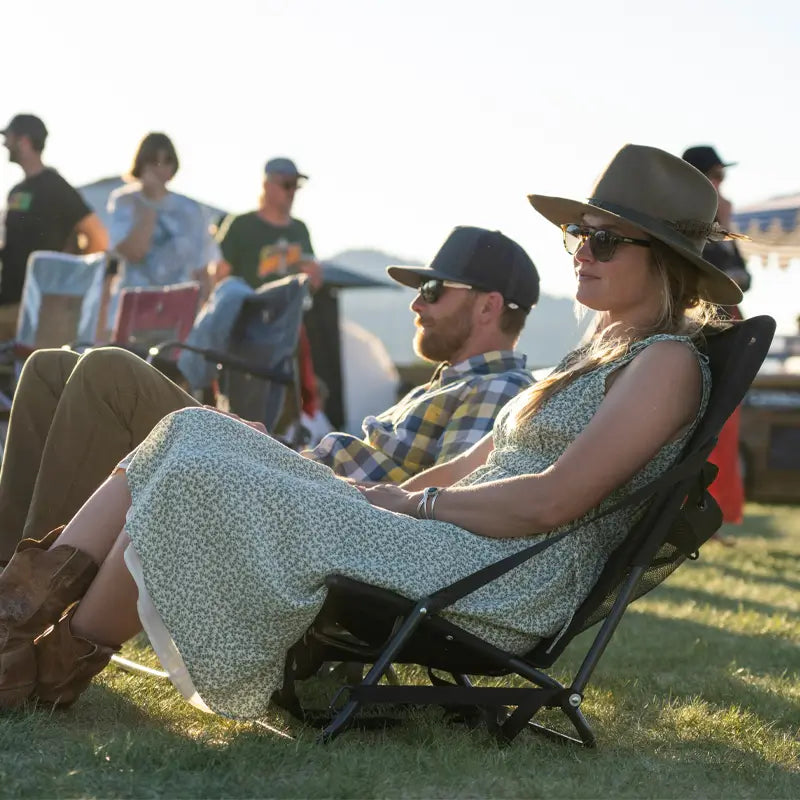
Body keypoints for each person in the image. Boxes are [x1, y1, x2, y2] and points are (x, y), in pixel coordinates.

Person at [0, 144, 743, 718]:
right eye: (579, 234)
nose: (581, 249)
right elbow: (476, 462)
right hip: (450, 541)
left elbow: (552, 503)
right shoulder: (593, 359)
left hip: (500, 578)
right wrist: (376, 495)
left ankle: (50, 670)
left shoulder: (668, 364)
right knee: (192, 428)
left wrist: (406, 507)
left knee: (202, 476)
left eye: (604, 241)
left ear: (666, 261)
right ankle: (13, 617)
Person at [0, 226, 539, 563]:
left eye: (432, 291)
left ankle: (20, 611)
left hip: (305, 505)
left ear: (489, 307)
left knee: (109, 371)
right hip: (286, 474)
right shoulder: (449, 382)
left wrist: (282, 464)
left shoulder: (501, 391)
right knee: (50, 368)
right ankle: (9, 572)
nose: (416, 304)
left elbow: (443, 521)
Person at [682, 145, 750, 526]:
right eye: (716, 176)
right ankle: (693, 512)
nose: (721, 185)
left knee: (723, 423)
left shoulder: (718, 223)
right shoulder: (683, 224)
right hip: (694, 326)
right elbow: (719, 276)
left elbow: (743, 276)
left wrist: (725, 225)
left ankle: (717, 514)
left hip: (726, 325)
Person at [0, 114, 108, 340]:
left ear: (24, 141)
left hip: (39, 309)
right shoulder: (16, 191)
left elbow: (98, 238)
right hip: (7, 303)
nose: (4, 143)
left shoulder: (56, 187)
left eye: (8, 137)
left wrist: (69, 277)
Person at [104, 132, 216, 333]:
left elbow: (202, 268)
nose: (160, 168)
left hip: (178, 311)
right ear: (141, 164)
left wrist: (206, 312)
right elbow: (134, 252)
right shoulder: (125, 202)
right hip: (134, 309)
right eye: (153, 161)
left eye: (167, 161)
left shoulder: (192, 210)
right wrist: (150, 204)